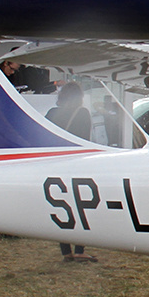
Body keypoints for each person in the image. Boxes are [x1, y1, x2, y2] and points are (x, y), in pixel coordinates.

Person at [46, 83, 96, 262]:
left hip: (55, 166)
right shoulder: (82, 114)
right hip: (76, 167)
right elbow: (86, 142)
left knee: (61, 207)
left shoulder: (52, 113)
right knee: (80, 208)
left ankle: (66, 251)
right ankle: (80, 250)